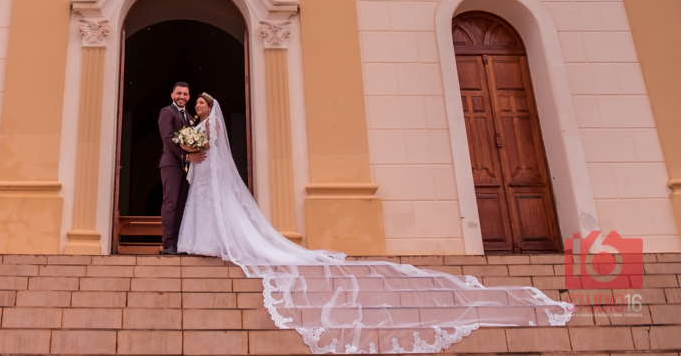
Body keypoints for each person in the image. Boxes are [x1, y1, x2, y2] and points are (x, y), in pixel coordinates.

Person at [177, 93, 573, 354]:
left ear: (211, 107)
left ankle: (217, 242)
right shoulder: (198, 123)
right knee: (209, 206)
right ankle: (207, 242)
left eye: (202, 102)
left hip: (210, 170)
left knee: (219, 208)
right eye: (196, 103)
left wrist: (195, 147)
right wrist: (191, 148)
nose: (198, 106)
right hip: (204, 171)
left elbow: (213, 148)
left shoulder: (211, 125)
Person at [156, 82, 208, 256]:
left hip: (186, 167)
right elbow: (168, 138)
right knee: (170, 203)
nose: (182, 96)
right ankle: (168, 244)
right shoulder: (166, 112)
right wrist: (186, 156)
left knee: (181, 204)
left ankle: (179, 242)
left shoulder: (189, 117)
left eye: (185, 94)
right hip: (171, 164)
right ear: (172, 95)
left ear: (189, 97)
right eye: (178, 93)